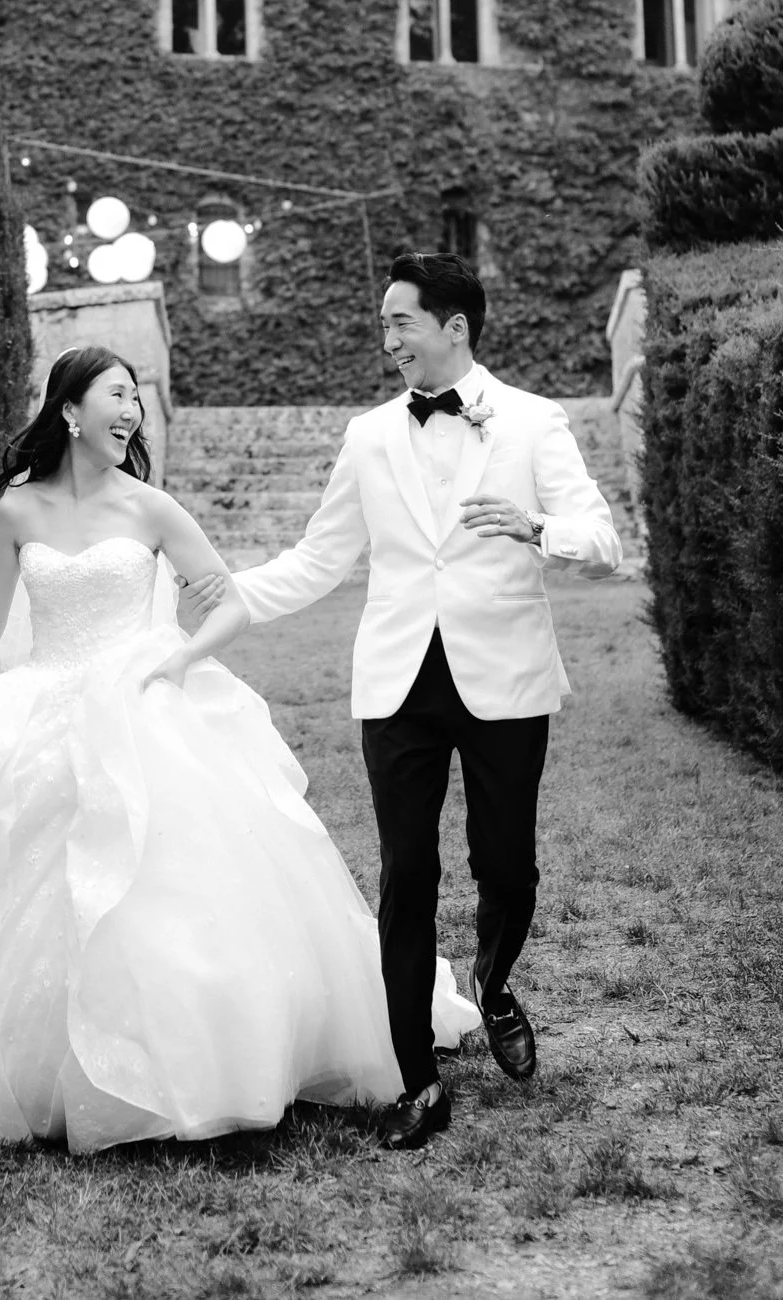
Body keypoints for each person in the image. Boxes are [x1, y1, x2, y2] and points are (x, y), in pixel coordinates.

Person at [0, 344, 476, 1151]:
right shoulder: (17, 511)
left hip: (139, 703)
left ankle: (190, 1057)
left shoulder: (150, 508)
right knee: (10, 878)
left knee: (164, 880)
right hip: (41, 700)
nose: (131, 410)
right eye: (116, 394)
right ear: (69, 410)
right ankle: (20, 1060)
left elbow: (226, 603)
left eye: (135, 398)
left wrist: (178, 656)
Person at [190, 252, 621, 1151]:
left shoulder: (534, 423)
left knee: (506, 865)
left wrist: (536, 527)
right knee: (405, 874)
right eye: (384, 324)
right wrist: (225, 589)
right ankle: (415, 1079)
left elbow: (603, 541)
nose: (387, 339)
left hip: (503, 678)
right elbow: (319, 558)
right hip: (396, 685)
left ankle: (494, 983)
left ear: (452, 328)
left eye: (399, 322)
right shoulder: (368, 435)